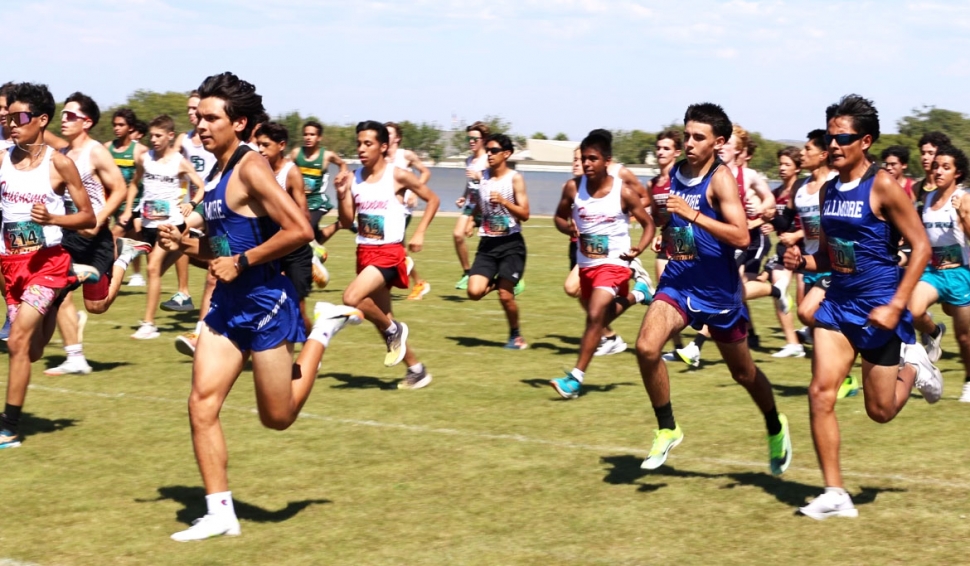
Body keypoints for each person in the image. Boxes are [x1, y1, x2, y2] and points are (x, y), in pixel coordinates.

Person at [159, 72, 362, 541]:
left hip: (267, 304)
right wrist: (184, 242)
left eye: (212, 118)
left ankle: (323, 331)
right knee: (201, 404)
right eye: (200, 117)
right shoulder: (214, 169)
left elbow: (299, 229)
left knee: (279, 417)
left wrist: (244, 260)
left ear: (240, 122)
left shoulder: (251, 167)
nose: (202, 126)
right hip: (228, 305)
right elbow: (221, 248)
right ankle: (220, 512)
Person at [785, 94, 942, 520]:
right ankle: (835, 493)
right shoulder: (828, 190)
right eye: (830, 137)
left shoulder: (884, 186)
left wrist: (895, 307)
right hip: (837, 304)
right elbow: (828, 255)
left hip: (878, 308)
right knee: (820, 392)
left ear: (865, 141)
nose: (834, 145)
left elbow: (922, 247)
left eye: (843, 138)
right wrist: (804, 261)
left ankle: (915, 366)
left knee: (881, 411)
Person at [634, 102, 792, 476]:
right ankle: (667, 427)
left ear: (718, 142)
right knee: (645, 346)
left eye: (697, 137)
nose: (688, 143)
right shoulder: (676, 172)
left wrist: (692, 215)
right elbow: (678, 222)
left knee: (743, 373)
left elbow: (740, 235)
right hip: (679, 279)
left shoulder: (721, 180)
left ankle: (774, 425)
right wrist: (668, 235)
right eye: (686, 135)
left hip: (719, 293)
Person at [0, 82, 96, 449]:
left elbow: (88, 217)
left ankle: (9, 427)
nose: (12, 124)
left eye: (19, 118)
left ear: (41, 120)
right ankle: (61, 296)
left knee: (17, 342)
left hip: (46, 264)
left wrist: (54, 218)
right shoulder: (3, 157)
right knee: (32, 351)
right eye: (8, 117)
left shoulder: (60, 164)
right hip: (9, 265)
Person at [47, 92, 148, 376]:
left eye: (71, 116)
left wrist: (98, 220)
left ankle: (123, 258)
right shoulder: (64, 155)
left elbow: (120, 188)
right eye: (63, 115)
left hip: (97, 239)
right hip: (67, 237)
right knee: (57, 287)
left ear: (87, 122)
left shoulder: (96, 152)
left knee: (97, 306)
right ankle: (75, 356)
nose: (64, 119)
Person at [549, 130, 655, 398]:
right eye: (584, 158)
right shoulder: (573, 188)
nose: (586, 164)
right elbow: (559, 218)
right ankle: (639, 294)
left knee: (595, 315)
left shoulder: (624, 192)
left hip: (615, 263)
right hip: (586, 264)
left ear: (607, 161)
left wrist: (638, 249)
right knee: (596, 318)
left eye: (592, 158)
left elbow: (648, 225)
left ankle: (575, 379)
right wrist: (569, 229)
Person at [336, 120, 439, 389]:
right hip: (364, 252)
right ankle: (417, 370)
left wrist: (419, 233)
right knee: (384, 321)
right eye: (359, 143)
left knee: (352, 298)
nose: (361, 148)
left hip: (389, 253)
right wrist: (341, 193)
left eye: (368, 143)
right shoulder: (355, 177)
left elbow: (433, 200)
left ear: (383, 147)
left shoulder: (397, 175)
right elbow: (347, 222)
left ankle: (397, 331)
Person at [129, 115, 206, 339]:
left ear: (170, 136)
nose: (153, 139)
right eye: (151, 135)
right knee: (157, 271)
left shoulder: (179, 161)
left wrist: (191, 204)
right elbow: (135, 184)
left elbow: (200, 187)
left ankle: (149, 324)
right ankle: (191, 247)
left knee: (152, 269)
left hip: (170, 223)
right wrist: (131, 211)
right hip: (147, 222)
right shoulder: (145, 159)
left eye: (158, 136)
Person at [907, 144, 970, 402]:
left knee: (965, 338)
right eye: (936, 166)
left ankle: (969, 380)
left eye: (946, 167)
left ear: (958, 173)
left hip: (960, 273)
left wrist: (962, 214)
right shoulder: (928, 198)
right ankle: (933, 332)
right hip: (934, 272)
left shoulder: (965, 198)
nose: (939, 171)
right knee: (912, 310)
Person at [465, 133, 531, 348]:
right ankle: (500, 281)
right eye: (488, 150)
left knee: (505, 296)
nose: (489, 154)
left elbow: (525, 214)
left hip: (511, 243)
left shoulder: (515, 178)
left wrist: (504, 202)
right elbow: (480, 204)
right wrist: (471, 221)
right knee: (474, 293)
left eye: (494, 151)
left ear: (506, 154)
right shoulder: (482, 177)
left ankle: (516, 335)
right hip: (487, 244)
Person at [742, 146, 803, 358]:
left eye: (787, 164)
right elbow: (781, 221)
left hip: (805, 250)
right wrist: (767, 221)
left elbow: (816, 224)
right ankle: (793, 344)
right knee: (779, 290)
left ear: (797, 167)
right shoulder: (776, 193)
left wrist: (796, 235)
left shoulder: (802, 190)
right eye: (781, 164)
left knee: (805, 306)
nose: (782, 168)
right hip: (783, 249)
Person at [255, 121, 315, 332]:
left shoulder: (291, 172)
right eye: (258, 144)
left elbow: (304, 214)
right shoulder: (257, 171)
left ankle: (313, 343)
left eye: (265, 145)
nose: (260, 149)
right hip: (270, 249)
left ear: (281, 145)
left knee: (296, 308)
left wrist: (285, 225)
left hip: (294, 251)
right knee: (263, 304)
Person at [162, 92, 218, 313]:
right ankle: (184, 293)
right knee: (182, 239)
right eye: (189, 109)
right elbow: (169, 162)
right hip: (196, 203)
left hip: (214, 202)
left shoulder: (216, 137)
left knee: (218, 254)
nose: (191, 112)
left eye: (195, 108)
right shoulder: (184, 139)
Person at [384, 122, 433, 301]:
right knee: (398, 250)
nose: (385, 136)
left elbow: (425, 172)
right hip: (385, 209)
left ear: (397, 138)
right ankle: (418, 283)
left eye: (389, 133)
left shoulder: (405, 155)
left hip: (402, 209)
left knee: (393, 247)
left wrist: (414, 192)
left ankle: (414, 283)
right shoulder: (380, 157)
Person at [290, 120, 348, 251]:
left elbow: (342, 164)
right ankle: (341, 224)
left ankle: (313, 258)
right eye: (306, 134)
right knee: (315, 237)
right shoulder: (296, 153)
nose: (308, 137)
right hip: (299, 201)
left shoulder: (327, 156)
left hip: (317, 201)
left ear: (319, 137)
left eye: (312, 134)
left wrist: (341, 174)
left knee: (304, 230)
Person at [106, 108, 149, 287]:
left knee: (114, 237)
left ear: (130, 127)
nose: (117, 128)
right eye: (115, 125)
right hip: (114, 203)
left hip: (133, 205)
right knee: (133, 239)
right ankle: (137, 274)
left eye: (121, 125)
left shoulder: (140, 151)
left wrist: (133, 207)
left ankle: (106, 274)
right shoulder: (107, 148)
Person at [453, 121, 490, 290]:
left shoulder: (488, 159)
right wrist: (463, 196)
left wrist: (478, 176)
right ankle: (467, 272)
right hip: (471, 203)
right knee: (457, 234)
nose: (471, 141)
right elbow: (470, 184)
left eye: (475, 138)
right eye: (469, 138)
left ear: (484, 139)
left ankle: (511, 277)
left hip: (487, 205)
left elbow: (493, 181)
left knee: (493, 242)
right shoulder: (468, 160)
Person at [913, 132, 951, 210]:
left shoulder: (949, 188)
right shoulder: (916, 188)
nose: (925, 157)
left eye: (931, 153)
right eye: (923, 153)